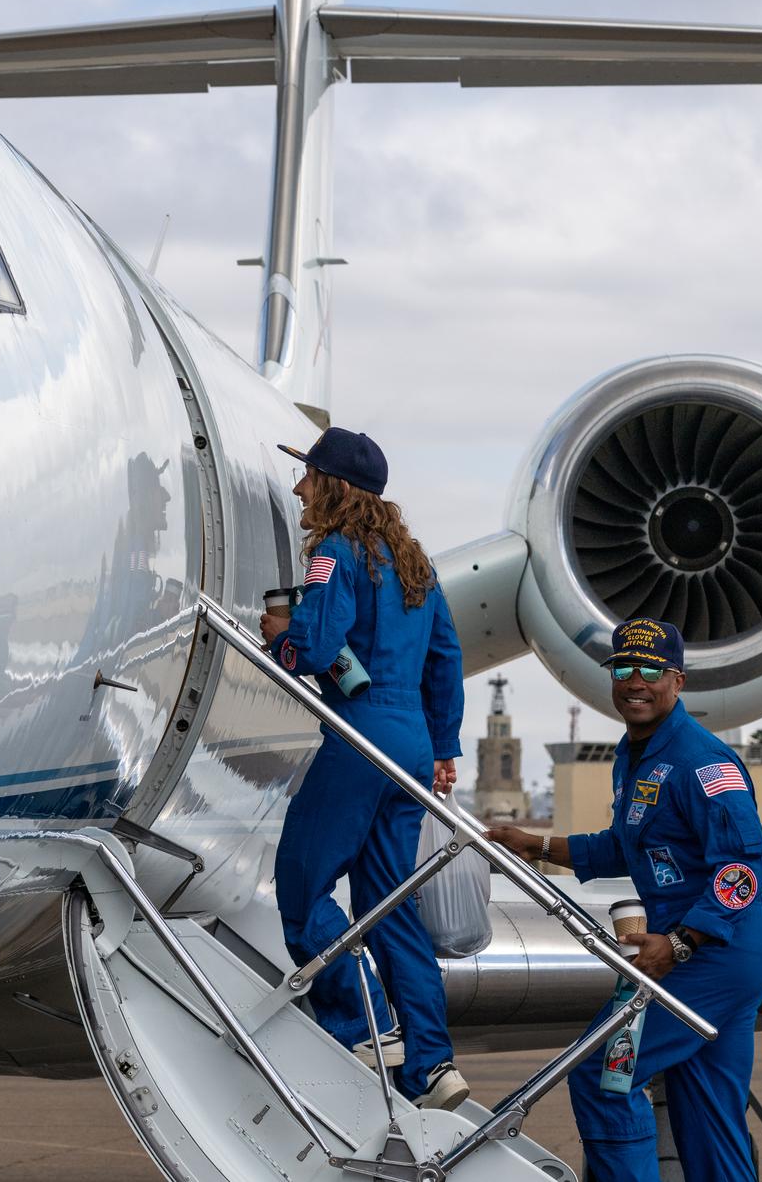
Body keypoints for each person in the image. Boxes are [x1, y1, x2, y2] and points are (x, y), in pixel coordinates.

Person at [488, 618, 762, 1182]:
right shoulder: (635, 754)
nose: (634, 681)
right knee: (707, 1113)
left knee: (603, 1074)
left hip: (714, 953)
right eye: (623, 668)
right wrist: (538, 844)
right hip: (707, 953)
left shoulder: (704, 763)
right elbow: (629, 846)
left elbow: (743, 868)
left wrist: (679, 943)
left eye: (650, 670)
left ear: (677, 682)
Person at [259, 426, 469, 1111]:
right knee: (388, 906)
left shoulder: (334, 554)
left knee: (301, 883)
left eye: (308, 476)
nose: (299, 489)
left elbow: (317, 646)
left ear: (335, 486)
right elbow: (445, 657)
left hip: (361, 737)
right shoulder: (416, 563)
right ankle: (432, 1064)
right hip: (408, 744)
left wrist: (279, 643)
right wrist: (444, 747)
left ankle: (365, 1022)